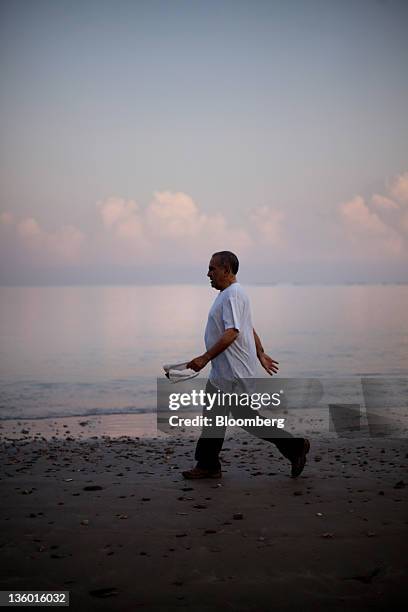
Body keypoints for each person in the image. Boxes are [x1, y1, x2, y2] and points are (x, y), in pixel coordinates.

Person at [182, 251, 310, 479]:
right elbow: (247, 327)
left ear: (226, 270)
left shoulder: (232, 295)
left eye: (212, 268)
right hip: (226, 372)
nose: (208, 273)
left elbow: (232, 332)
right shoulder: (232, 294)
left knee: (234, 417)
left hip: (233, 373)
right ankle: (209, 464)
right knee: (223, 416)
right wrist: (259, 352)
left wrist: (205, 357)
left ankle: (294, 447)